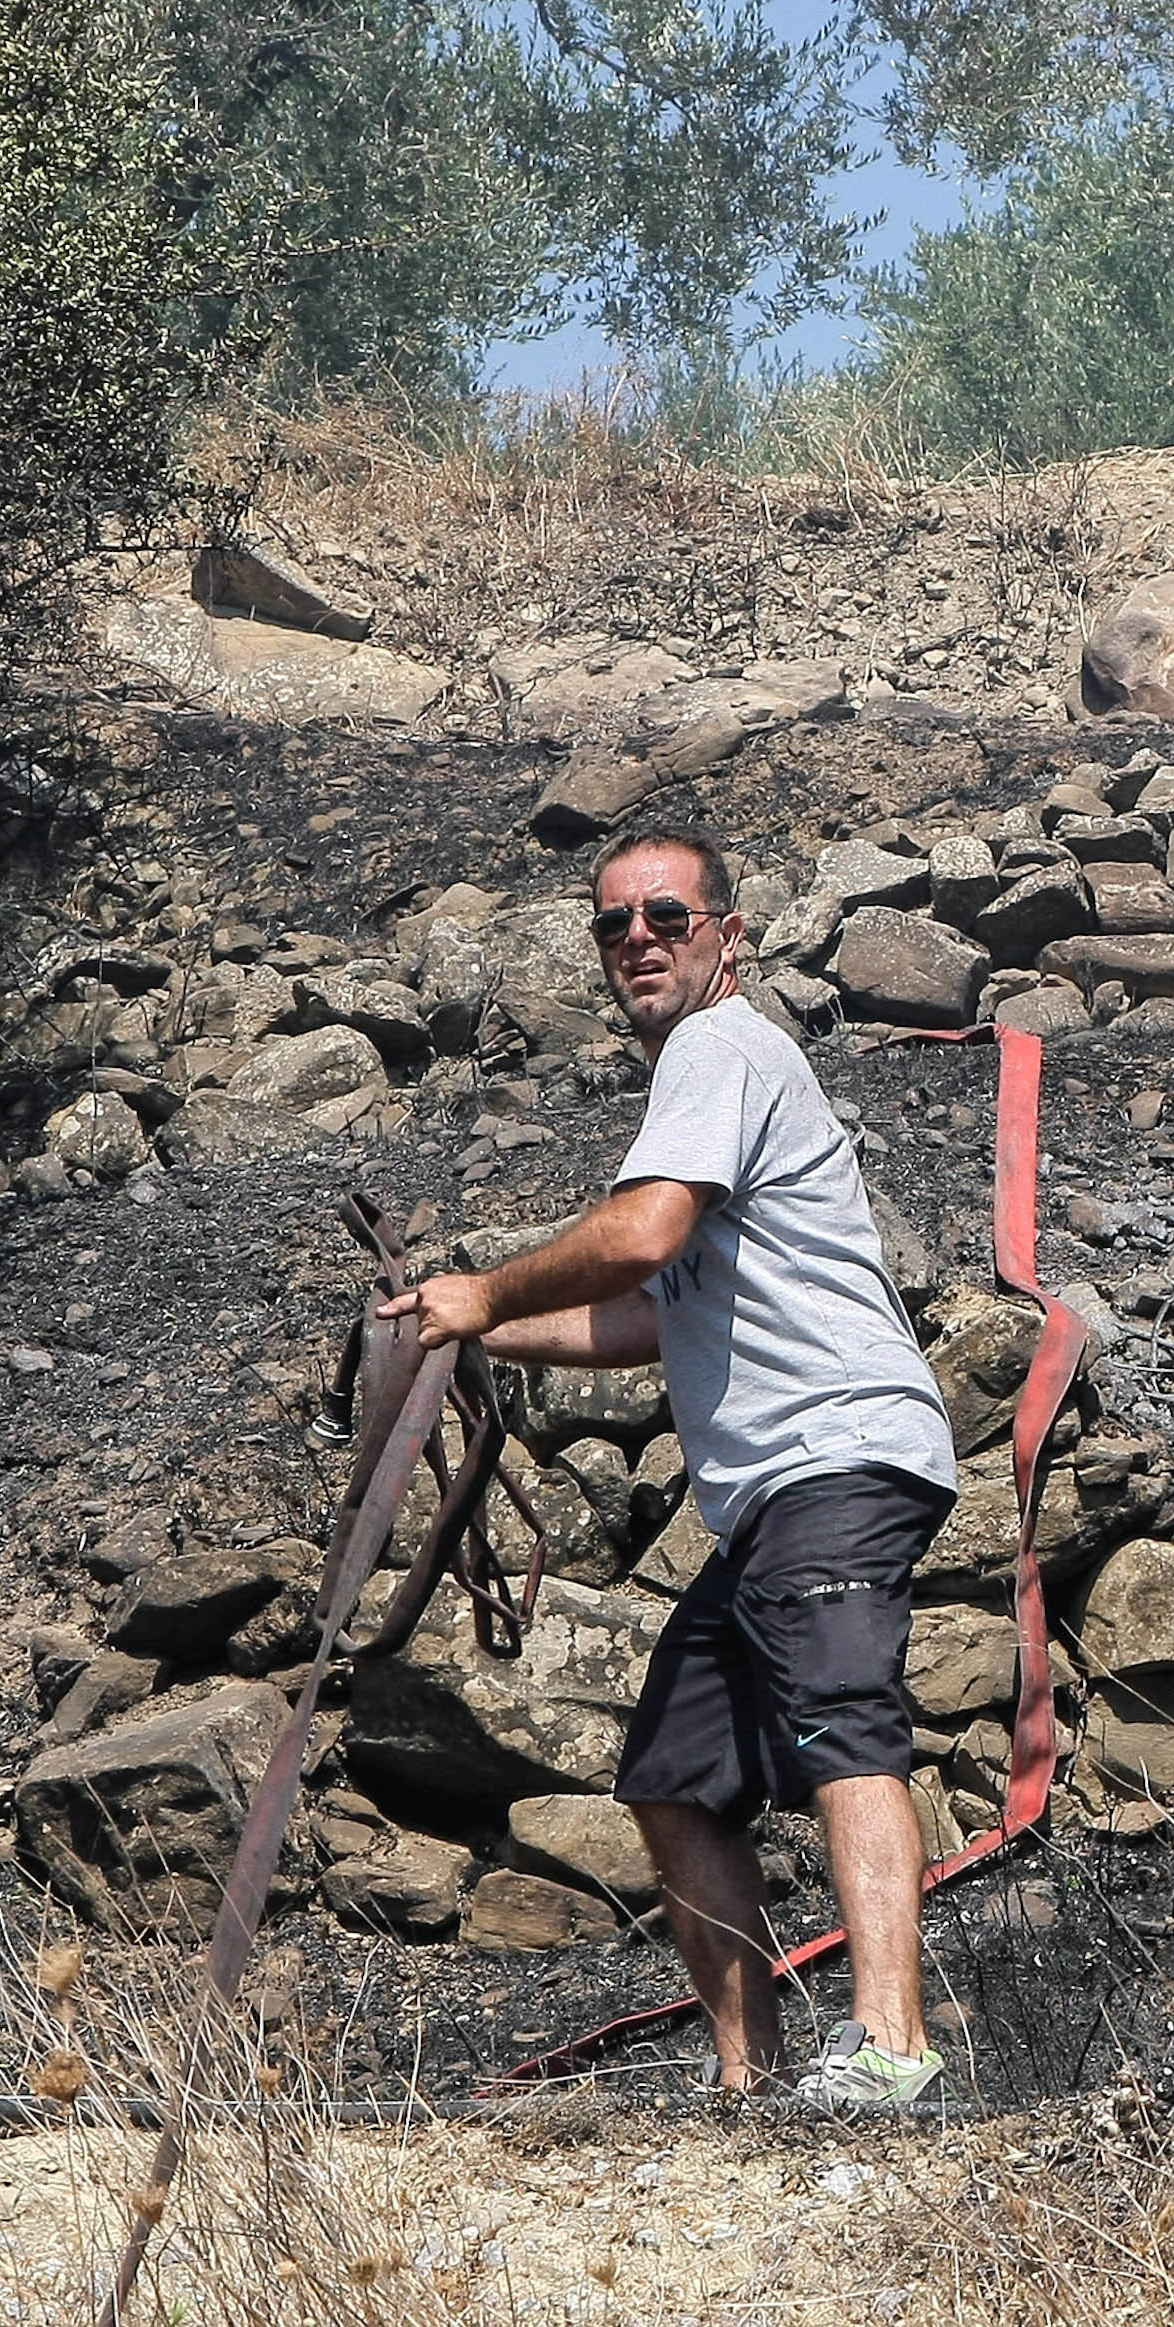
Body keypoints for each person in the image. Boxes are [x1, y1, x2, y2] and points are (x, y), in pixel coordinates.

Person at [379, 826, 960, 2109]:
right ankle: (749, 2080)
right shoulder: (709, 1078)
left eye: (665, 916)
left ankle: (891, 2050)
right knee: (674, 1774)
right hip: (776, 1492)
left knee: (842, 1726)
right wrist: (457, 1321)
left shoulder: (719, 1047)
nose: (638, 937)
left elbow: (639, 1239)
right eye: (612, 925)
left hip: (834, 1453)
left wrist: (484, 1287)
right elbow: (653, 1314)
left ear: (726, 935)